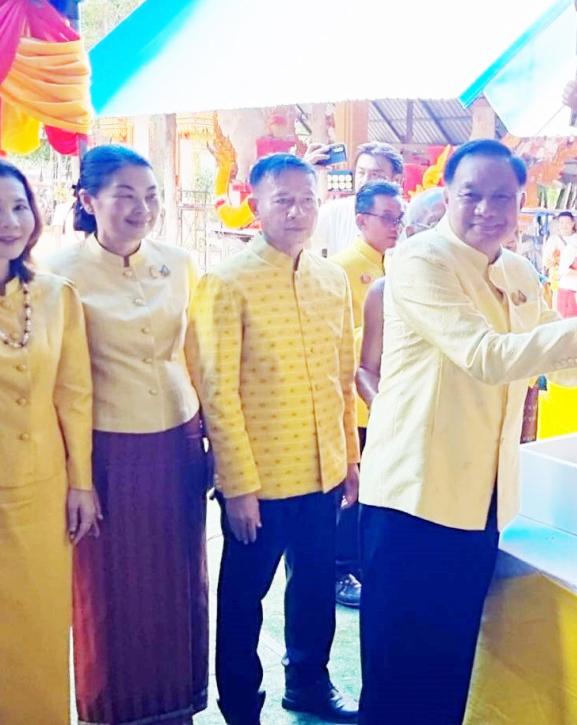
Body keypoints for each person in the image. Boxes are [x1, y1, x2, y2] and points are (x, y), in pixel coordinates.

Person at [356, 139, 577, 724]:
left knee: (447, 674)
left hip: (481, 504)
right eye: (471, 194)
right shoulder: (420, 261)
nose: (486, 209)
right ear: (448, 194)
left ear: (521, 203)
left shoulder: (518, 271)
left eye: (502, 197)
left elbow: (557, 362)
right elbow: (486, 356)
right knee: (398, 680)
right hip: (413, 500)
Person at [186, 153, 360, 725]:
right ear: (255, 204)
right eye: (283, 200)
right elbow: (217, 391)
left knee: (314, 589)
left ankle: (308, 684)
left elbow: (341, 378)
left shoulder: (331, 279)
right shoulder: (226, 282)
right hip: (258, 482)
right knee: (244, 599)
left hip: (322, 471)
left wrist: (349, 460)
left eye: (307, 200)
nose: (297, 211)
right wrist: (237, 487)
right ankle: (241, 706)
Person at [48, 145, 209, 725]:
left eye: (151, 195)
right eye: (125, 195)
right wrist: (79, 478)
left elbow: (197, 356)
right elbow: (60, 384)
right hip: (107, 451)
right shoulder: (58, 274)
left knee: (179, 575)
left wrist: (214, 441)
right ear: (88, 201)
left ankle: (177, 702)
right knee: (108, 586)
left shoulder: (180, 263)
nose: (142, 208)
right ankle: (112, 709)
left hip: (179, 443)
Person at [0, 156, 97, 724]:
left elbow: (74, 395)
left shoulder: (55, 295)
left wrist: (81, 483)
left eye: (19, 207)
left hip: (43, 498)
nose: (9, 221)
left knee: (42, 635)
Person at [329, 179, 404, 608]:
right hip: (358, 397)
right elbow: (339, 340)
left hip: (389, 396)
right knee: (351, 493)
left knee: (375, 491)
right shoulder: (341, 269)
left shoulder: (396, 267)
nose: (395, 226)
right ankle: (340, 571)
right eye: (387, 218)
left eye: (399, 219)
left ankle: (360, 566)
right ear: (362, 220)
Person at [356, 188, 447, 410]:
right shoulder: (384, 290)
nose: (445, 233)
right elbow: (367, 370)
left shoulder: (477, 287)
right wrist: (385, 414)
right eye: (436, 223)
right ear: (412, 232)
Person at [310, 141, 404, 258]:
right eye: (361, 173)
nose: (365, 180)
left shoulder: (409, 216)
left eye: (375, 175)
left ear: (396, 180)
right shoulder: (333, 210)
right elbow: (303, 243)